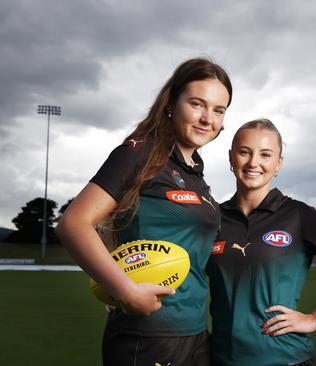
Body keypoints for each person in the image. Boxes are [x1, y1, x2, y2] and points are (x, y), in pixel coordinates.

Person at [56, 57, 232, 366]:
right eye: (197, 104)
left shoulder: (197, 177)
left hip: (195, 334)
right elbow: (74, 223)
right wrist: (123, 289)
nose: (208, 118)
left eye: (218, 110)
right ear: (171, 103)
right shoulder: (141, 152)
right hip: (147, 337)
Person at [207, 119, 316, 366]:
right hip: (221, 359)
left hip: (285, 358)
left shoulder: (297, 215)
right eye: (245, 152)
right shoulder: (212, 217)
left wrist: (314, 319)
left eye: (265, 155)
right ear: (232, 158)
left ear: (278, 163)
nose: (254, 162)